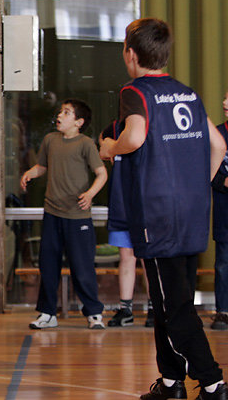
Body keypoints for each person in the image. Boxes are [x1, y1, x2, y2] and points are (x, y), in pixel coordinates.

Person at [99, 18, 226, 400]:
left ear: (130, 54)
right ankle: (171, 382)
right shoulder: (187, 93)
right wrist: (195, 188)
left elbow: (134, 137)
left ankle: (213, 382)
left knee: (177, 308)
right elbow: (218, 145)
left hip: (158, 216)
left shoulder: (135, 92)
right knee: (165, 299)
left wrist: (110, 148)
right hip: (191, 214)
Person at [21, 98, 108, 329]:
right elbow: (42, 166)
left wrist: (90, 194)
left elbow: (101, 174)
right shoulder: (50, 140)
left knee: (82, 266)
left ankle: (94, 313)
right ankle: (48, 314)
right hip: (52, 213)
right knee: (48, 265)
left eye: (67, 113)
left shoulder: (86, 144)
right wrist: (30, 173)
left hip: (77, 216)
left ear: (78, 122)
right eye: (61, 111)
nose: (60, 115)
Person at [100, 120, 154, 329]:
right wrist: (111, 148)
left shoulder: (151, 125)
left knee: (148, 259)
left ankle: (154, 308)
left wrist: (114, 147)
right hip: (122, 201)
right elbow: (103, 149)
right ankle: (126, 309)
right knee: (126, 257)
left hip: (147, 203)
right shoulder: (113, 128)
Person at [211, 91, 228, 331]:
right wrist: (222, 180)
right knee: (224, 263)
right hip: (225, 212)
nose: (224, 103)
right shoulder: (216, 134)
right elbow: (206, 170)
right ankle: (223, 311)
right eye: (224, 98)